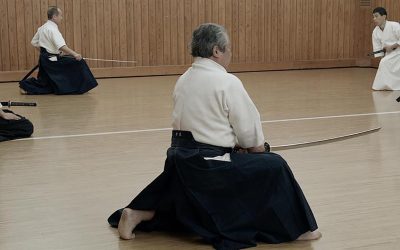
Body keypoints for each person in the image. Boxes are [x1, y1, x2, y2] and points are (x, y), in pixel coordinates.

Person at [108, 23, 321, 249]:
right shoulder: (227, 82)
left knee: (198, 175)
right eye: (228, 48)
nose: (231, 53)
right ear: (217, 51)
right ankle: (298, 230)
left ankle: (137, 213)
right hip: (209, 167)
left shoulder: (184, 79)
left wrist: (235, 146)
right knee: (274, 165)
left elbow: (204, 127)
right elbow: (253, 141)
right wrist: (255, 149)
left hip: (179, 162)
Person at [19, 6, 98, 95]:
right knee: (79, 62)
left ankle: (26, 86)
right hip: (52, 61)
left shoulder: (42, 28)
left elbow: (34, 42)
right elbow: (61, 46)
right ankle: (78, 87)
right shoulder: (52, 29)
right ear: (54, 17)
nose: (61, 18)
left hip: (45, 60)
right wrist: (75, 54)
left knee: (45, 82)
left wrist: (45, 52)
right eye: (60, 16)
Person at [371, 7, 400, 90]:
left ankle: (392, 85)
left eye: (376, 16)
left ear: (384, 16)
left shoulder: (394, 25)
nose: (374, 19)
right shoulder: (375, 31)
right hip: (388, 54)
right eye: (373, 17)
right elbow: (377, 48)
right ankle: (386, 85)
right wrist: (382, 57)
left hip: (398, 52)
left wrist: (392, 46)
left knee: (384, 62)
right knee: (383, 62)